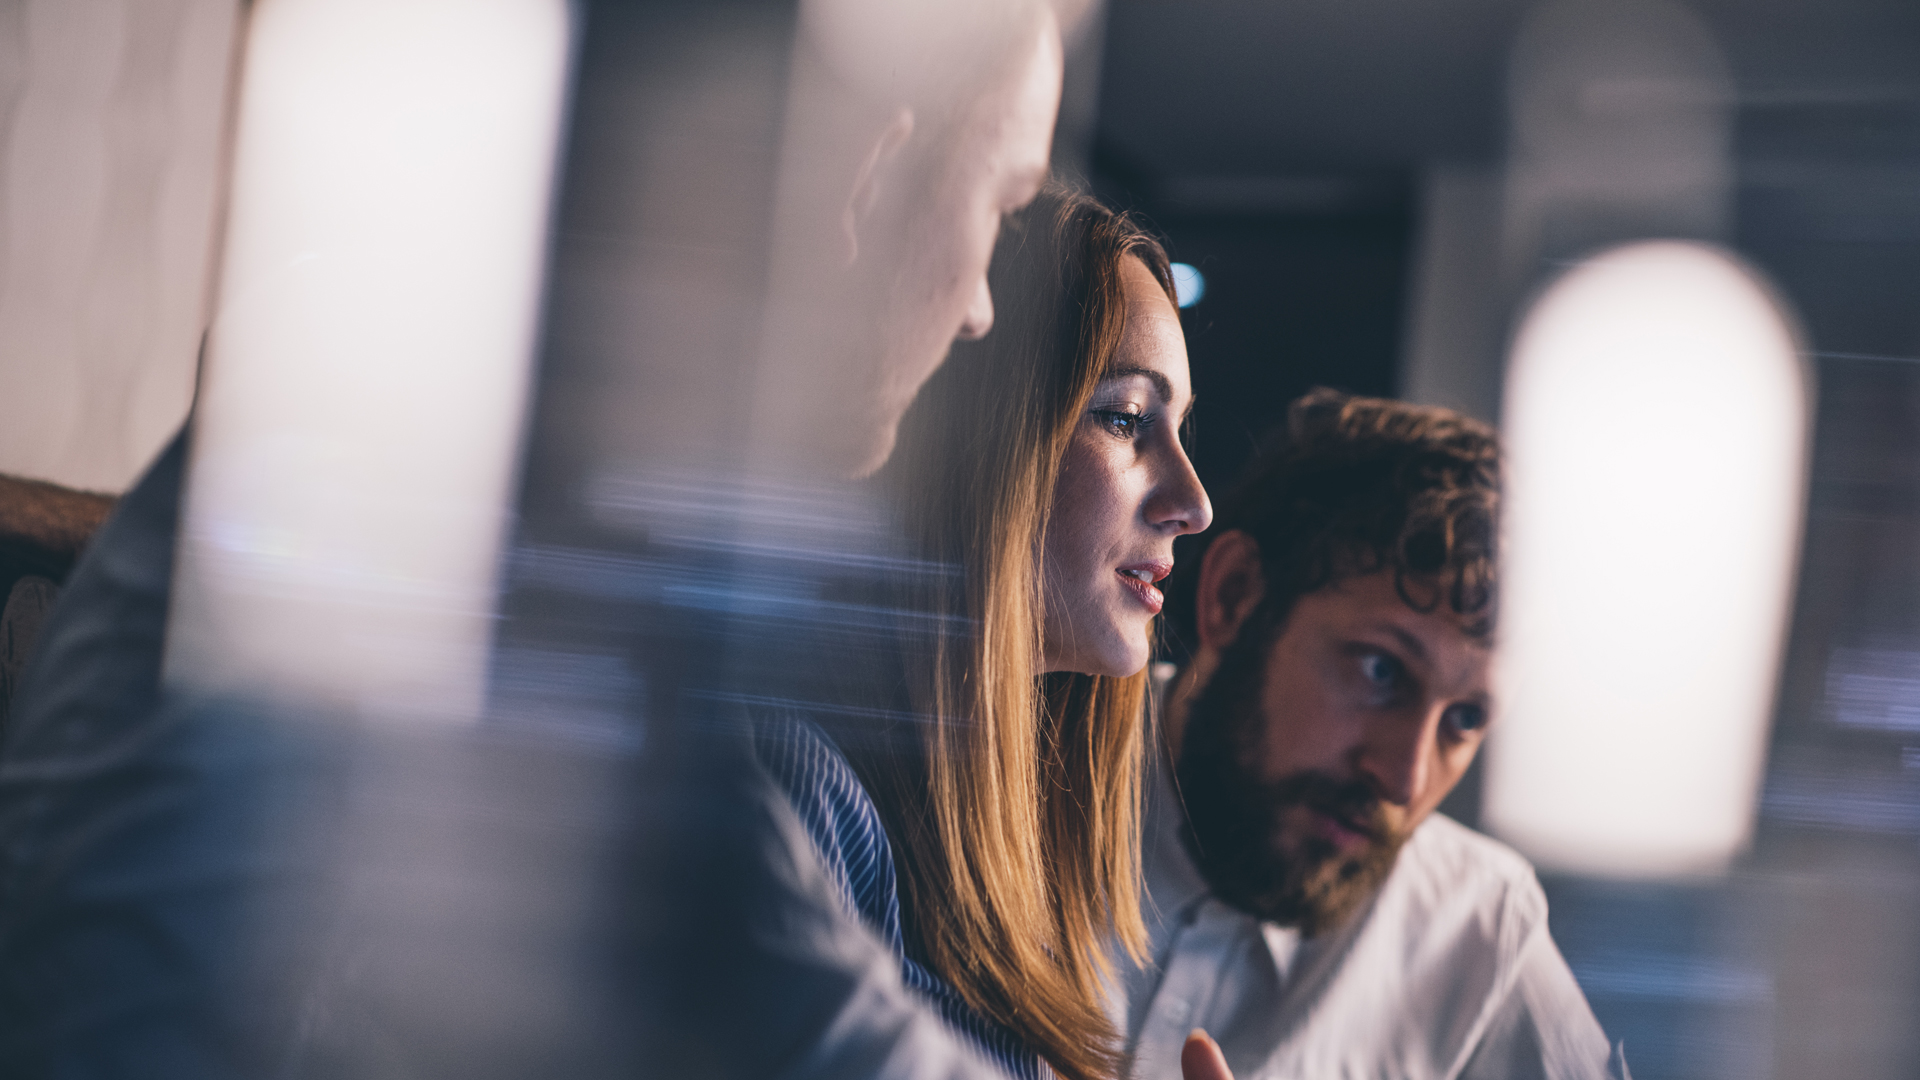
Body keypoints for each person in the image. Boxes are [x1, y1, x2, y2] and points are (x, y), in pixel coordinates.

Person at [0, 2, 1070, 1078]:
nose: (980, 305)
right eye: (1001, 205)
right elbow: (769, 993)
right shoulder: (450, 428)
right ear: (870, 176)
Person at [754, 185, 1212, 1080]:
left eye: (1180, 427)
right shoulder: (801, 791)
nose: (1193, 503)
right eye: (1125, 418)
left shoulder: (1033, 851)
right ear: (978, 446)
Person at [1120, 391, 1620, 1080]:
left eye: (1465, 719)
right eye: (1382, 670)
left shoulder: (1476, 931)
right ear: (1235, 598)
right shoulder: (1002, 780)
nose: (1406, 778)